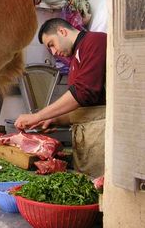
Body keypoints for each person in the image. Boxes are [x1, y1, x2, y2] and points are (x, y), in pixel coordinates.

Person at [14, 18, 107, 178]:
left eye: (51, 44)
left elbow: (84, 92)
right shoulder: (75, 59)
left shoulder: (95, 41)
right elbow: (83, 107)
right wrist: (55, 119)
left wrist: (37, 115)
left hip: (101, 135)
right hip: (88, 138)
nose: (54, 52)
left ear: (62, 31)